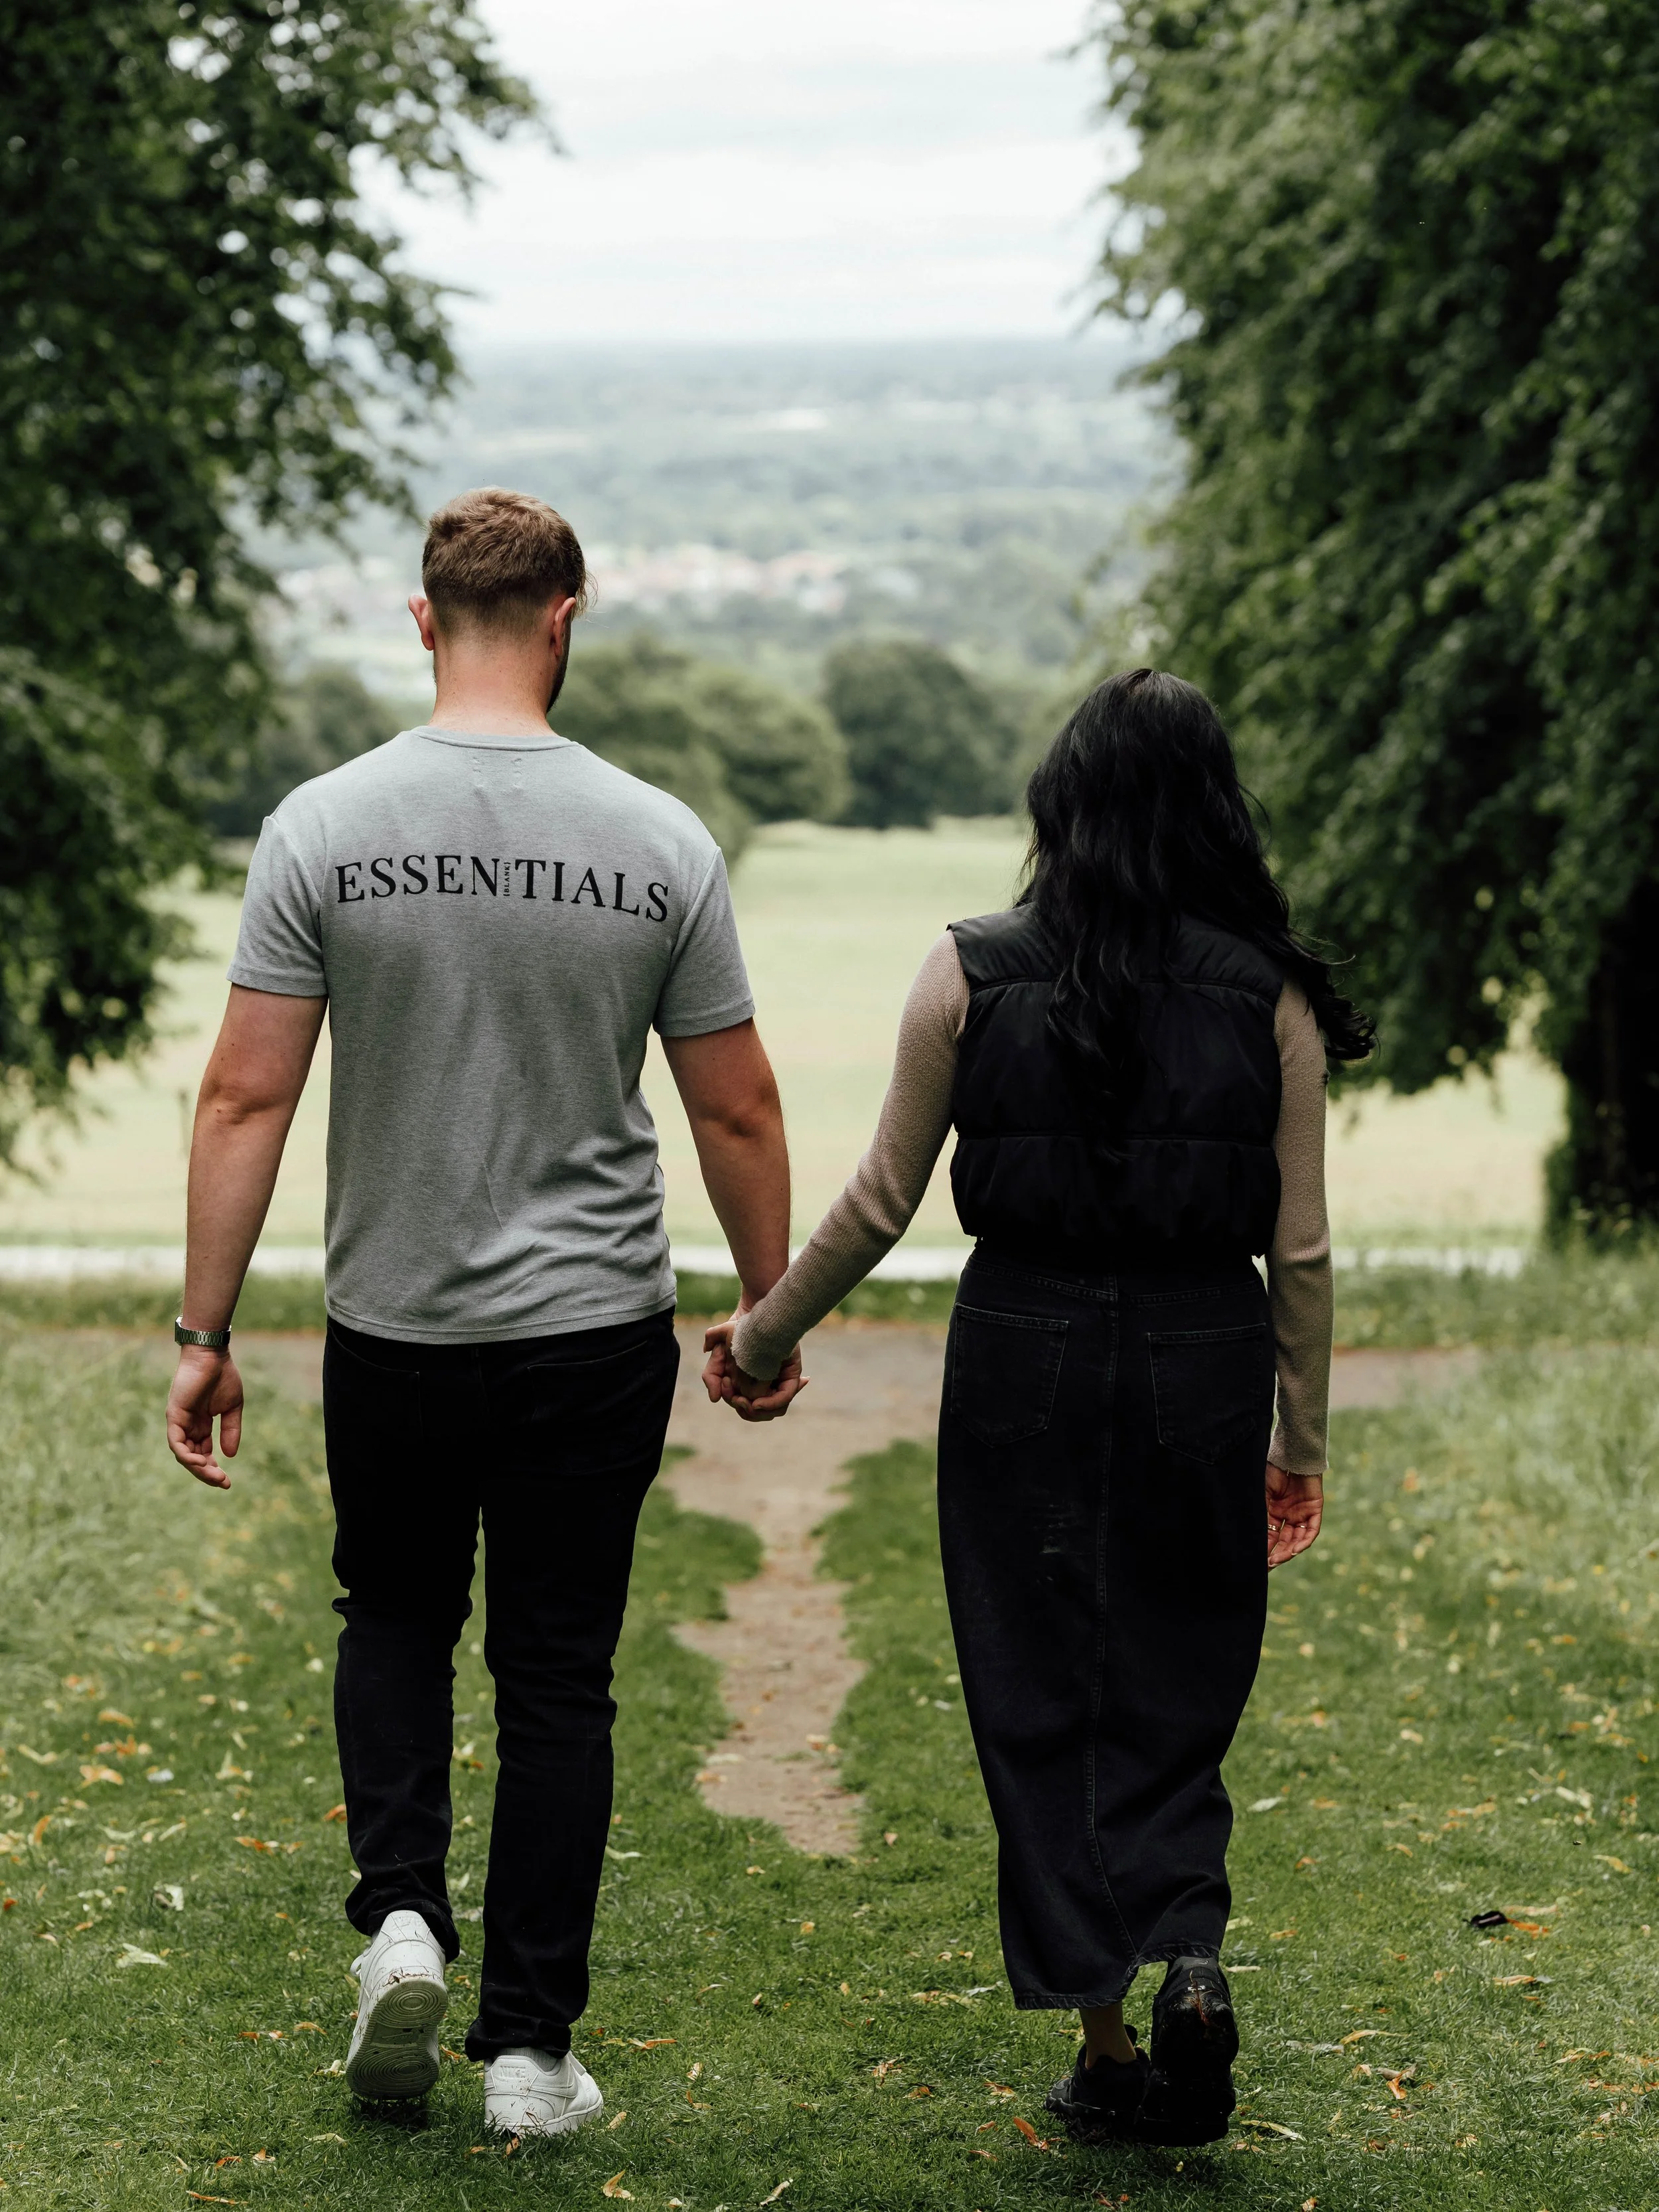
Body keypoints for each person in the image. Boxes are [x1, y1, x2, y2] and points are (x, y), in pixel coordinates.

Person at [165, 487, 800, 2136]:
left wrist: (204, 1330)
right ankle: (526, 2052)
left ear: (423, 619)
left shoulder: (322, 823)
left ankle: (397, 1921)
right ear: (568, 619)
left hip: (394, 1323)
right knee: (558, 1680)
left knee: (390, 1619)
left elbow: (245, 1096)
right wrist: (766, 1311)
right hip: (592, 1328)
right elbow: (736, 1110)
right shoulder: (659, 839)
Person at [703, 668, 1371, 2147]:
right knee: (1181, 1669)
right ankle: (1188, 1942)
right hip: (1203, 1338)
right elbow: (1303, 1246)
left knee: (1034, 1676)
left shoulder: (966, 969)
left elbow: (880, 1199)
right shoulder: (1268, 993)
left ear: (1056, 805)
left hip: (1023, 1341)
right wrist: (1295, 1443)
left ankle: (1107, 2037)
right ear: (1213, 812)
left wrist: (761, 1335)